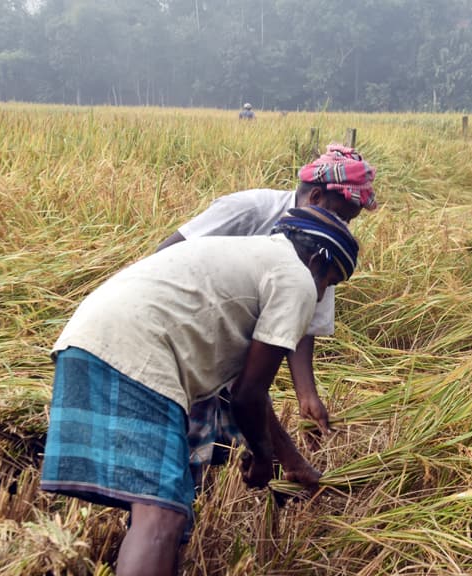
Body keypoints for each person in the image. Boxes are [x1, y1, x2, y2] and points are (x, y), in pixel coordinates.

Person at [40, 206, 359, 576]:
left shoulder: (251, 255)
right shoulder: (297, 278)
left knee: (160, 507)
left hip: (86, 341)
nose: (321, 296)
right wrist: (261, 456)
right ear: (318, 258)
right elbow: (247, 396)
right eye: (329, 282)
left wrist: (290, 462)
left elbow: (247, 389)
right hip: (140, 353)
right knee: (162, 514)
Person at [156, 145, 377, 487]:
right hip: (190, 328)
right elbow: (167, 254)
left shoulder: (323, 246)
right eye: (343, 216)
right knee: (207, 429)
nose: (344, 227)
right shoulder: (249, 210)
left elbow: (300, 320)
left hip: (237, 339)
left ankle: (210, 493)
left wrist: (307, 395)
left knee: (228, 438)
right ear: (316, 197)